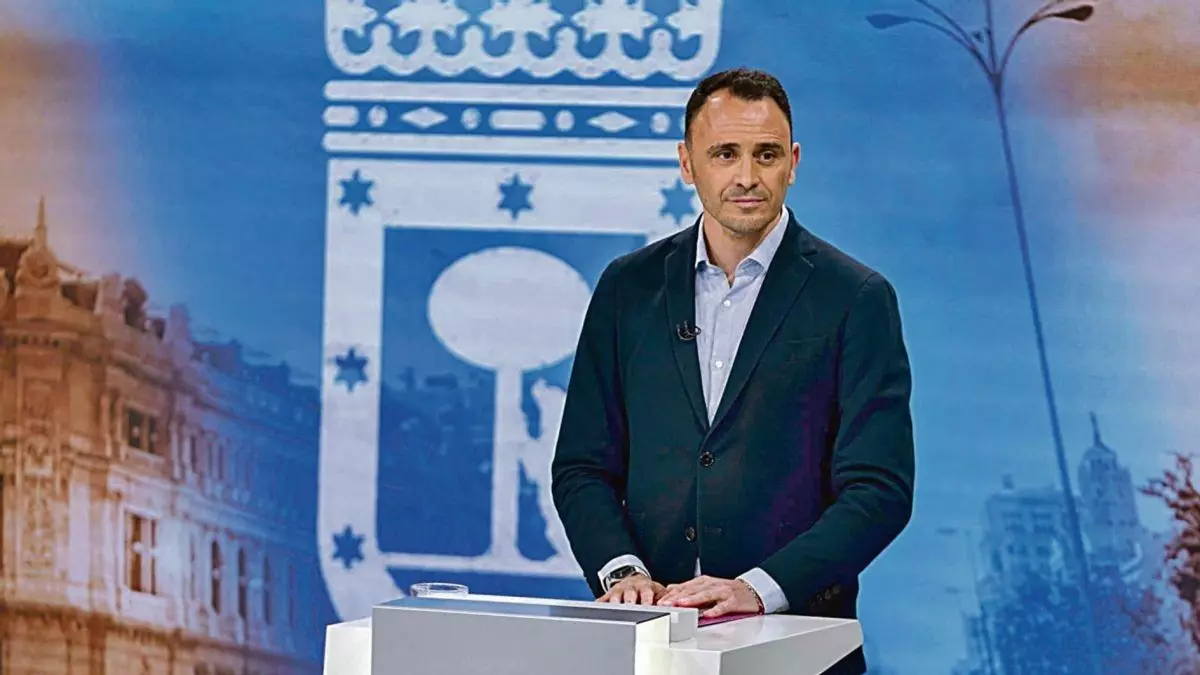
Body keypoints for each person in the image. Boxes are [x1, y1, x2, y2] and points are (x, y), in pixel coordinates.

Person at [549, 67, 915, 675]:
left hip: (798, 647)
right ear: (687, 163)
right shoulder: (627, 288)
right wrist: (623, 572)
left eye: (766, 154)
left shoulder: (856, 297)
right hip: (650, 645)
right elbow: (582, 466)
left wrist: (758, 589)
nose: (747, 176)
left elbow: (880, 491)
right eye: (725, 154)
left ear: (793, 163)